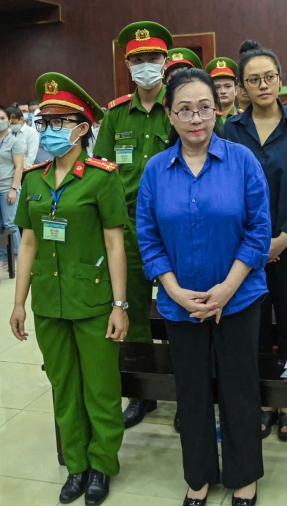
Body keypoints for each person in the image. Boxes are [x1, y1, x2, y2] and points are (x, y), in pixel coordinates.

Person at [138, 68, 269, 506]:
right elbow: (148, 237)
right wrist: (174, 292)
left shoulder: (242, 160)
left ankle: (243, 475)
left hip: (238, 299)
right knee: (191, 392)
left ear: (218, 110)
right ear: (170, 116)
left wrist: (227, 289)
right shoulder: (156, 170)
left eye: (205, 108)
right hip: (180, 304)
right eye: (185, 110)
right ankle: (198, 476)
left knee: (238, 387)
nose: (196, 118)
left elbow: (258, 231)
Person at [10, 72, 128, 506]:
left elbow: (115, 240)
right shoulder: (36, 179)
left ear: (82, 128)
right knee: (63, 385)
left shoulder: (101, 176)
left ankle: (102, 465)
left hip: (94, 300)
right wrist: (19, 302)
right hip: (49, 302)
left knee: (100, 388)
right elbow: (27, 242)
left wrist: (120, 304)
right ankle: (76, 465)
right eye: (45, 122)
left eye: (59, 122)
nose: (49, 130)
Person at [223, 39, 287, 442]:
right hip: (246, 248)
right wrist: (258, 243)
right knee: (256, 326)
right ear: (242, 88)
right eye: (253, 80)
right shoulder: (232, 128)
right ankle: (263, 401)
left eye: (269, 77)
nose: (263, 85)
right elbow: (229, 189)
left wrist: (282, 238)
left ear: (280, 80)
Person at [92, 21, 175, 428]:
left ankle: (185, 385)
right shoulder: (114, 115)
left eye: (153, 59)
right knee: (134, 311)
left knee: (182, 308)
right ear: (128, 65)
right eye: (138, 60)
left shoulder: (180, 107)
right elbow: (102, 172)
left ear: (166, 62)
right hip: (127, 230)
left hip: (175, 228)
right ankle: (144, 394)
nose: (146, 66)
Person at [0, 107, 26, 266]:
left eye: (2, 118)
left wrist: (14, 189)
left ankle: (17, 256)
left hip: (8, 188)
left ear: (9, 121)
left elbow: (19, 167)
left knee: (10, 223)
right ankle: (2, 256)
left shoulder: (14, 142)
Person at [206, 57, 241, 124]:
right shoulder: (206, 118)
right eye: (217, 87)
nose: (222, 91)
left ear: (236, 90)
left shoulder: (246, 117)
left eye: (227, 86)